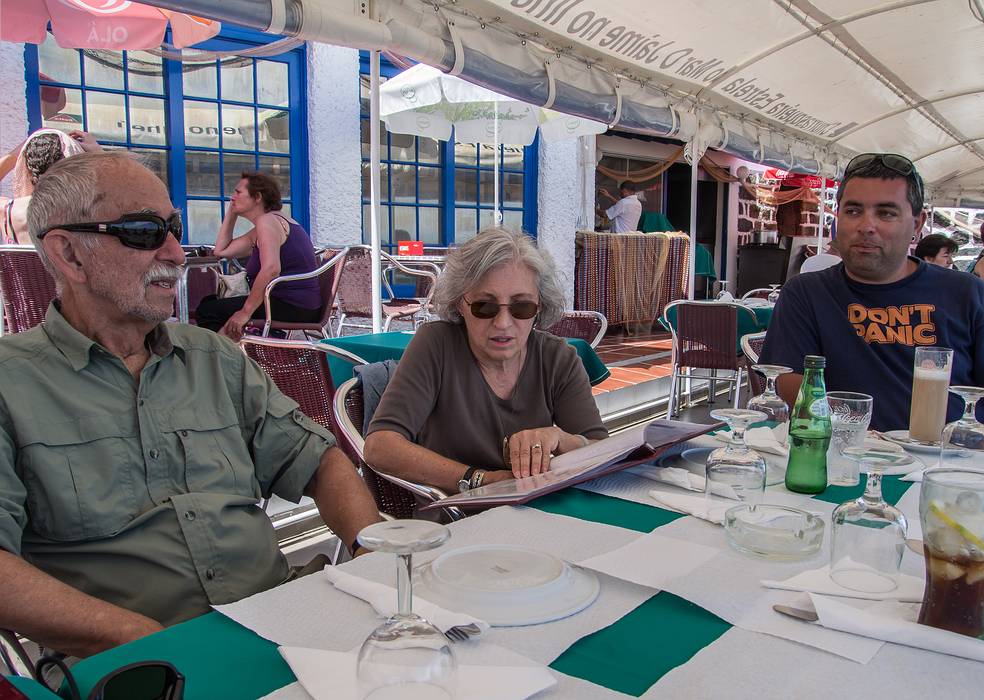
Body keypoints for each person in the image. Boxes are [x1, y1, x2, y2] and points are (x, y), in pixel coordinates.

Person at [0, 152, 381, 657]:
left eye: (175, 228)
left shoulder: (213, 359)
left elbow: (317, 460)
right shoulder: (12, 385)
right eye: (145, 231)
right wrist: (138, 638)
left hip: (280, 624)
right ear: (70, 255)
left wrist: (377, 556)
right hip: (132, 665)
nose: (178, 254)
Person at [364, 228, 608, 494]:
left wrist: (560, 439)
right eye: (484, 306)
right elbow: (381, 446)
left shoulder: (558, 358)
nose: (503, 323)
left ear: (540, 308)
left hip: (538, 511)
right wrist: (480, 480)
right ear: (460, 304)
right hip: (454, 519)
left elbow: (603, 449)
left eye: (522, 307)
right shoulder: (436, 345)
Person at [761, 153, 984, 431]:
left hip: (950, 462)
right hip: (846, 459)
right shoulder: (807, 293)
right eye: (853, 211)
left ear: (917, 223)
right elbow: (790, 385)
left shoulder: (967, 293)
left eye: (886, 213)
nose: (866, 226)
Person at [195, 172, 320, 340]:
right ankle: (240, 349)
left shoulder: (267, 222)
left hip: (294, 305)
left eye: (238, 192)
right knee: (209, 303)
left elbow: (271, 269)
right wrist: (231, 214)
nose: (233, 197)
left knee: (208, 311)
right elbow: (221, 251)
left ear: (258, 197)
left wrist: (245, 313)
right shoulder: (269, 224)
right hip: (298, 304)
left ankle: (228, 357)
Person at [0, 129, 99, 244]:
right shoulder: (89, 213)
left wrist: (26, 145)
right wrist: (99, 154)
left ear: (27, 170)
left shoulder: (8, 211)